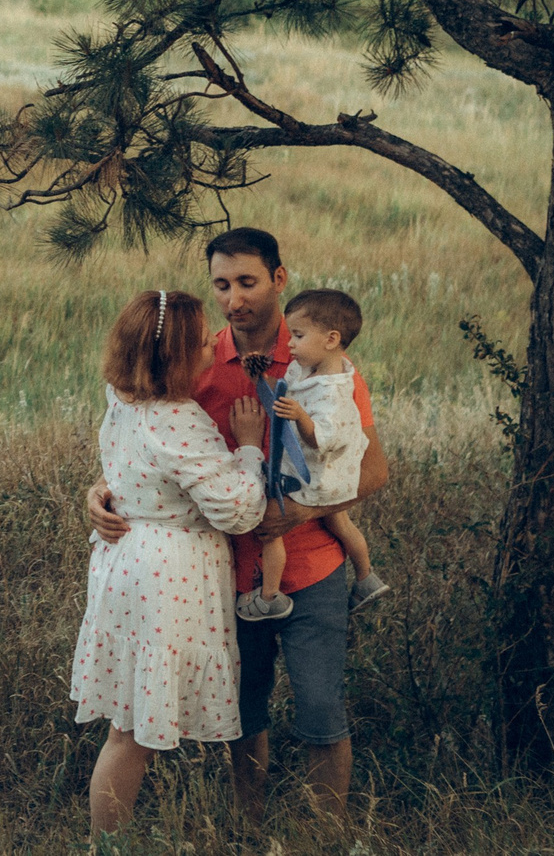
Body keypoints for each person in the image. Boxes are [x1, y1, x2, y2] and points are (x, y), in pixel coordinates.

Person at [84, 228, 388, 824]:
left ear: (279, 278)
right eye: (221, 285)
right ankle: (250, 826)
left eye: (247, 282)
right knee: (244, 715)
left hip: (312, 567)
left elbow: (373, 471)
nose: (234, 299)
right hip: (222, 574)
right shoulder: (193, 358)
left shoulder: (320, 364)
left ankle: (326, 837)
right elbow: (150, 444)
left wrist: (298, 514)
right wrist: (100, 492)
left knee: (322, 713)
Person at [70, 287, 270, 832]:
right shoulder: (177, 420)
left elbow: (130, 468)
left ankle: (107, 840)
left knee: (125, 725)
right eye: (202, 342)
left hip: (127, 560)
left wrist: (100, 490)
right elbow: (238, 511)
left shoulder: (122, 397)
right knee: (131, 734)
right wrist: (248, 448)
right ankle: (107, 843)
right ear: (174, 355)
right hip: (167, 575)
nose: (213, 347)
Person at [239, 288, 388, 620]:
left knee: (271, 525)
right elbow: (285, 392)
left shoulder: (334, 392)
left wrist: (300, 416)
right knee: (339, 521)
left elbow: (321, 438)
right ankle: (366, 577)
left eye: (298, 335)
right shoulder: (309, 369)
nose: (289, 344)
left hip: (316, 471)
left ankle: (269, 596)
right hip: (328, 470)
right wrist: (262, 379)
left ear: (331, 339)